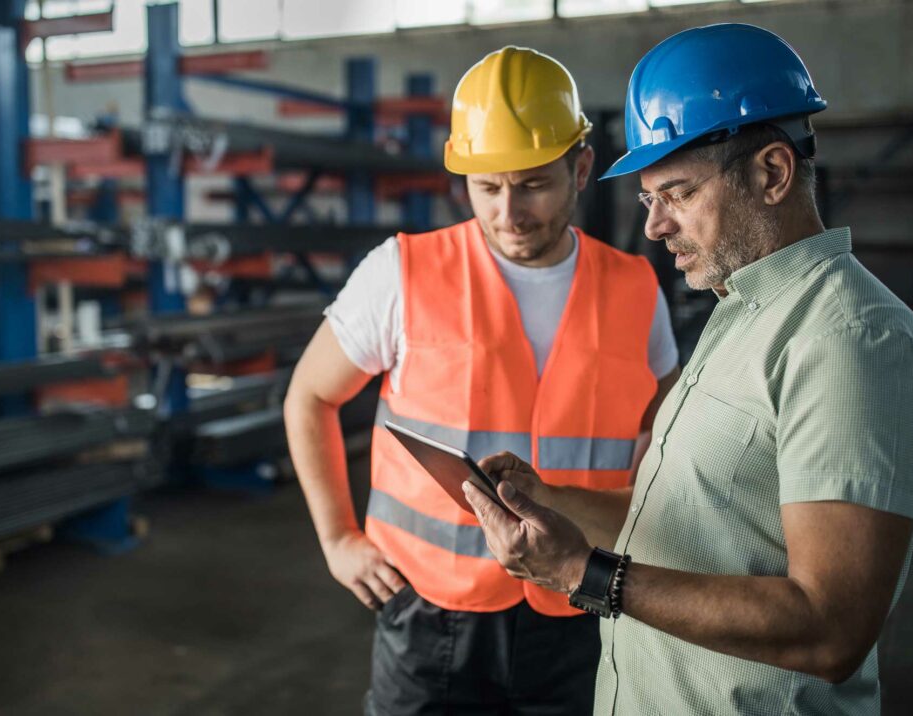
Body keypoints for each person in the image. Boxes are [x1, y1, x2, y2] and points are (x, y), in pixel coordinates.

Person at [463, 24, 913, 716]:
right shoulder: (739, 309)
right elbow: (684, 521)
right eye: (648, 200)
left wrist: (583, 573)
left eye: (679, 193)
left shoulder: (850, 342)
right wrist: (548, 499)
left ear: (772, 173)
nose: (656, 226)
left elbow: (828, 628)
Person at [284, 46, 680, 715]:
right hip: (429, 610)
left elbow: (663, 438)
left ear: (580, 168)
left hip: (580, 601)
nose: (508, 212)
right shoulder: (402, 273)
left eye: (532, 185)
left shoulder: (635, 287)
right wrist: (338, 541)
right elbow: (310, 396)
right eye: (486, 187)